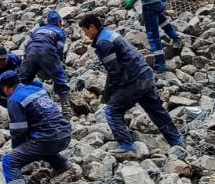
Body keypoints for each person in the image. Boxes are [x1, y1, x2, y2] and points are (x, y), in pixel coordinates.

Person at [78, 13, 184, 156]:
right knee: (156, 110)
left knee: (112, 110)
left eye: (85, 31)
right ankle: (176, 140)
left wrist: (108, 93)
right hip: (146, 74)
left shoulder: (103, 42)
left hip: (134, 80)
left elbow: (114, 71)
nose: (86, 35)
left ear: (92, 27)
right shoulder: (110, 34)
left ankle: (126, 145)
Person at [0, 71, 72, 184]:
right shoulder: (37, 89)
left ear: (6, 88)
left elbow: (18, 131)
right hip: (65, 133)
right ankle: (61, 164)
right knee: (37, 142)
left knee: (9, 161)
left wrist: (17, 151)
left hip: (48, 139)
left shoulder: (14, 100)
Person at [18, 9, 71, 108]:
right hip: (47, 50)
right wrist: (57, 62)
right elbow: (59, 47)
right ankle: (66, 108)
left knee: (23, 80)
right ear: (59, 22)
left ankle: (21, 105)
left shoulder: (38, 30)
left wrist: (27, 60)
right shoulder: (59, 31)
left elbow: (29, 43)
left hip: (31, 50)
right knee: (59, 79)